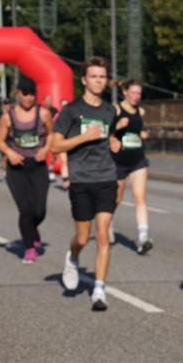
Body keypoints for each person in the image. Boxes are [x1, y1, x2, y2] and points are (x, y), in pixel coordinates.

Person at [50, 57, 121, 311]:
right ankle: (73, 257)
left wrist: (115, 143)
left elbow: (112, 138)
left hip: (106, 177)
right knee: (82, 237)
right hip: (81, 179)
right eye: (94, 76)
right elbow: (55, 145)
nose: (99, 81)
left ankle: (99, 290)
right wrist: (82, 137)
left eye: (102, 77)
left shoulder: (109, 110)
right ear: (84, 80)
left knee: (103, 235)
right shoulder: (71, 111)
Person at [0, 77, 53, 264]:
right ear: (18, 94)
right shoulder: (7, 117)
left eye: (32, 95)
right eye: (25, 94)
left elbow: (52, 135)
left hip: (37, 167)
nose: (28, 98)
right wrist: (9, 153)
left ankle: (31, 230)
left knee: (40, 210)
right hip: (16, 168)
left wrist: (45, 149)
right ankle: (29, 247)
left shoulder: (43, 114)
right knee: (26, 209)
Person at [112, 79, 153, 255]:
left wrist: (144, 134)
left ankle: (143, 238)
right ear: (125, 92)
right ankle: (107, 221)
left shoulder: (140, 111)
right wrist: (115, 128)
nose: (136, 97)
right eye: (133, 93)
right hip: (118, 161)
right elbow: (104, 131)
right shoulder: (115, 109)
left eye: (139, 94)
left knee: (140, 198)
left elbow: (140, 130)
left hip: (138, 159)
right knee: (117, 199)